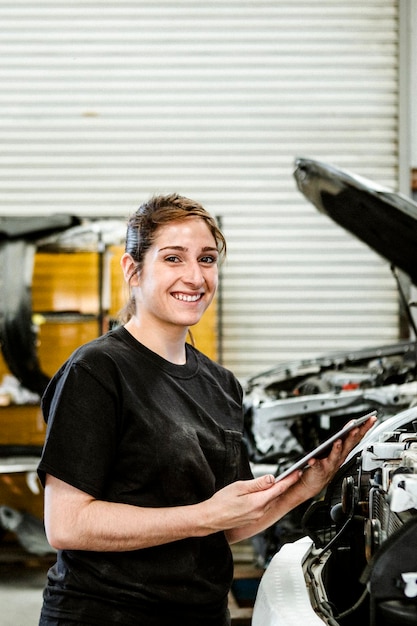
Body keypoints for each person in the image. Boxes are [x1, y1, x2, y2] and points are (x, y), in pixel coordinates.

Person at [37, 193, 376, 626]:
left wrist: (304, 486)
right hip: (106, 613)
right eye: (174, 259)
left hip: (201, 613)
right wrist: (203, 517)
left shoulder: (221, 383)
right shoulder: (98, 370)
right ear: (132, 270)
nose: (195, 277)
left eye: (208, 258)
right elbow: (66, 524)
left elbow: (228, 525)